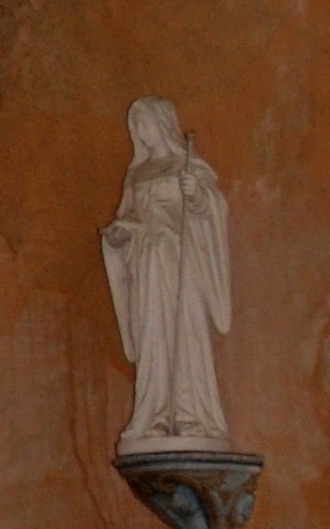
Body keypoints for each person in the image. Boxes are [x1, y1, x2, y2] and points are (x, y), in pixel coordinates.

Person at [100, 99, 234, 454]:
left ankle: (191, 414)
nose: (140, 133)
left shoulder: (186, 166)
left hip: (179, 264)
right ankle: (153, 413)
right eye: (136, 126)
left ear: (162, 124)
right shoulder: (136, 175)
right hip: (146, 266)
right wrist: (118, 237)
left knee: (184, 333)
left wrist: (197, 196)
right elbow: (127, 219)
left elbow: (211, 210)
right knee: (152, 335)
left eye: (145, 124)